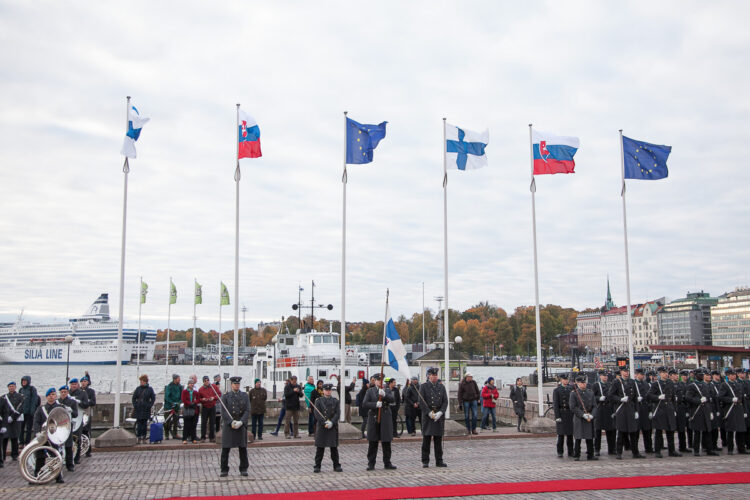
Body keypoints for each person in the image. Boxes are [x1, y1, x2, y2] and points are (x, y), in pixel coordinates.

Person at [607, 366, 644, 459]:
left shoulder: (632, 382)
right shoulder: (616, 382)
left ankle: (635, 452)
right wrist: (620, 399)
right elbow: (610, 396)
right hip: (621, 409)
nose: (626, 373)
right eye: (624, 371)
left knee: (633, 432)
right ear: (621, 372)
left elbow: (635, 397)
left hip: (630, 408)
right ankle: (619, 452)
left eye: (627, 371)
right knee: (621, 432)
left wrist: (636, 410)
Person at [362, 373, 396, 470]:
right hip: (374, 417)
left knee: (386, 442)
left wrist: (385, 395)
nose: (379, 382)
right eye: (378, 380)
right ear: (375, 381)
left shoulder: (387, 390)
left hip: (385, 417)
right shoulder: (370, 391)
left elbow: (393, 399)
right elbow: (364, 403)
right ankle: (371, 463)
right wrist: (374, 404)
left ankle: (387, 462)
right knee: (373, 442)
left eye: (381, 380)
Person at [32, 388, 64, 483]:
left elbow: (63, 421)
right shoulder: (41, 409)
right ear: (46, 397)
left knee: (56, 456)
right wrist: (37, 432)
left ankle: (58, 476)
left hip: (55, 436)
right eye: (49, 395)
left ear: (56, 396)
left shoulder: (60, 408)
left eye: (53, 394)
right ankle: (37, 475)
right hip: (43, 436)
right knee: (40, 456)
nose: (51, 396)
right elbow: (36, 422)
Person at [647, 367, 681, 458]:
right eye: (663, 372)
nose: (665, 374)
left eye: (666, 372)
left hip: (669, 409)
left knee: (670, 431)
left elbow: (673, 397)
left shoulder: (670, 383)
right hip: (660, 409)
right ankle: (657, 451)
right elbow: (649, 395)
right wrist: (658, 397)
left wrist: (674, 409)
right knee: (658, 431)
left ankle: (672, 450)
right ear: (660, 374)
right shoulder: (656, 384)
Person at [219, 376, 250, 477]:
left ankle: (243, 468)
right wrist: (230, 422)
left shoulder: (244, 396)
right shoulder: (226, 396)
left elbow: (247, 410)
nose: (237, 385)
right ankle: (224, 469)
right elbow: (223, 412)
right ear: (231, 385)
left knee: (242, 448)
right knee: (226, 448)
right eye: (235, 384)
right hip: (229, 426)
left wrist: (241, 422)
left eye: (238, 384)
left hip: (240, 425)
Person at [685, 368, 718, 456]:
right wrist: (698, 400)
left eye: (702, 374)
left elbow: (708, 399)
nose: (702, 375)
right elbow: (688, 398)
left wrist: (710, 411)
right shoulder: (692, 385)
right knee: (697, 432)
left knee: (707, 431)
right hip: (697, 411)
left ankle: (709, 449)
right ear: (696, 375)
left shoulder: (705, 385)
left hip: (706, 410)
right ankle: (696, 450)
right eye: (700, 374)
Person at [420, 367, 448, 468]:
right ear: (429, 376)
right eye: (433, 375)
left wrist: (440, 412)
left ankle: (439, 460)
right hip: (428, 416)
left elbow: (445, 401)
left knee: (438, 440)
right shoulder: (424, 387)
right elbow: (421, 402)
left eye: (436, 375)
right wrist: (429, 413)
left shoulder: (441, 387)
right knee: (426, 439)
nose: (435, 377)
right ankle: (425, 460)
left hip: (438, 416)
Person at [313, 383, 342, 473]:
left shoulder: (335, 401)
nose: (328, 391)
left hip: (332, 426)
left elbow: (337, 413)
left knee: (334, 448)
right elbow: (317, 414)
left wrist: (332, 422)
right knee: (320, 448)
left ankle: (336, 465)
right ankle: (317, 466)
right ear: (323, 391)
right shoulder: (318, 401)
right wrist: (323, 422)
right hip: (322, 427)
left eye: (329, 390)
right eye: (326, 390)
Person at [718, 368, 747, 454]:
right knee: (730, 430)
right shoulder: (724, 385)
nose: (733, 376)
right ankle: (730, 449)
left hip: (739, 409)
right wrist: (731, 399)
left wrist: (745, 411)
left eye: (734, 374)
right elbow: (720, 397)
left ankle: (741, 448)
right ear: (728, 376)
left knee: (740, 430)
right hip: (730, 409)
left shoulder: (738, 384)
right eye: (731, 375)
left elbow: (742, 399)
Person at [570, 375, 597, 461]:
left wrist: (592, 414)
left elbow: (595, 406)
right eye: (581, 383)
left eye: (584, 382)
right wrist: (582, 415)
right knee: (578, 437)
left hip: (589, 416)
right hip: (579, 418)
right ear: (577, 384)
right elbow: (573, 407)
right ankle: (577, 454)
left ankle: (590, 454)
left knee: (589, 437)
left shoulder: (590, 392)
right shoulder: (574, 393)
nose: (583, 384)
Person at [591, 370, 614, 456]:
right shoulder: (596, 385)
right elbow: (592, 396)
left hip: (608, 409)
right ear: (600, 376)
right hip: (600, 408)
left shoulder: (610, 385)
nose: (605, 377)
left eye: (606, 376)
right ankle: (597, 449)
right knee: (598, 430)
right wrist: (598, 398)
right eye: (603, 376)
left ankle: (611, 449)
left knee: (610, 431)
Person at [57, 385, 78, 472]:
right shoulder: (57, 402)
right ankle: (59, 462)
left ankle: (70, 465)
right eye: (62, 392)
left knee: (68, 445)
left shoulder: (72, 402)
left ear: (67, 393)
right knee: (58, 445)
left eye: (65, 392)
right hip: (59, 425)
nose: (63, 393)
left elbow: (76, 414)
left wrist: (71, 411)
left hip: (68, 425)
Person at [553, 374, 574, 458]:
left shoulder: (571, 389)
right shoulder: (557, 390)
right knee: (561, 434)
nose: (566, 381)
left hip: (569, 413)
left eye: (567, 379)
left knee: (570, 434)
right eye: (564, 379)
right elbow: (556, 404)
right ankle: (560, 451)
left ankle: (571, 451)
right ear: (561, 380)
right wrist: (557, 416)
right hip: (562, 412)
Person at [2, 381, 24, 464]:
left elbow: (21, 408)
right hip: (6, 420)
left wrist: (13, 417)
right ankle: (3, 455)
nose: (11, 387)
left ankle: (14, 455)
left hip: (15, 419)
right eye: (10, 386)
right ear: (8, 387)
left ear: (15, 387)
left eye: (13, 386)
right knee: (5, 438)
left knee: (15, 438)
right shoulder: (4, 397)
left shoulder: (20, 397)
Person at [68, 378, 88, 463]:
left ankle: (77, 457)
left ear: (78, 385)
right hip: (69, 417)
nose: (73, 386)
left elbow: (86, 405)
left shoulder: (82, 393)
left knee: (77, 438)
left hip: (78, 417)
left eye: (75, 384)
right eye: (72, 384)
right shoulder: (67, 393)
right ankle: (68, 457)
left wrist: (79, 402)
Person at [131, 374, 155, 444]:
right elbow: (134, 398)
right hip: (139, 409)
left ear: (145, 381)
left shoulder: (150, 389)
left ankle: (144, 437)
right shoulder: (138, 389)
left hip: (146, 409)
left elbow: (153, 398)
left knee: (144, 424)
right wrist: (135, 405)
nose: (141, 382)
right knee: (139, 424)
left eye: (142, 381)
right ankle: (138, 437)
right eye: (140, 381)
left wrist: (149, 405)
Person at [634, 368, 653, 454]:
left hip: (645, 408)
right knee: (636, 431)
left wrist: (650, 410)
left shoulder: (646, 384)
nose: (642, 376)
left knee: (647, 430)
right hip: (638, 408)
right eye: (641, 374)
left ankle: (649, 448)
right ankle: (635, 449)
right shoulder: (633, 384)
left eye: (643, 374)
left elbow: (649, 398)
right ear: (636, 374)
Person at [19, 376, 40, 447]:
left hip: (29, 413)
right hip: (22, 413)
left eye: (25, 381)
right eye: (23, 381)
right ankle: (21, 442)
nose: (24, 382)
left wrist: (32, 411)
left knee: (29, 428)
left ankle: (27, 442)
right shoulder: (21, 390)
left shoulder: (32, 389)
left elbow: (34, 400)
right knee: (21, 428)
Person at [673, 369, 691, 453]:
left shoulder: (682, 385)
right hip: (672, 407)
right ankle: (671, 448)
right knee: (671, 429)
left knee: (681, 428)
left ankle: (682, 446)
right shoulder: (669, 384)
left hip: (681, 407)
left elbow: (686, 396)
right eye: (674, 374)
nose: (676, 376)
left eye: (677, 375)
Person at [198, 376, 219, 442]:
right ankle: (203, 437)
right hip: (205, 406)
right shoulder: (201, 389)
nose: (207, 382)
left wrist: (213, 398)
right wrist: (203, 399)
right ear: (203, 382)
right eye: (205, 381)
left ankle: (211, 437)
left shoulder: (214, 387)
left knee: (212, 422)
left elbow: (218, 394)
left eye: (207, 380)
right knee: (204, 422)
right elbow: (199, 399)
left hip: (212, 406)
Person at [80, 374, 95, 457]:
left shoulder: (91, 391)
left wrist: (85, 402)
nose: (83, 383)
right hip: (79, 413)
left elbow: (93, 402)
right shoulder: (78, 391)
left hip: (87, 412)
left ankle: (88, 450)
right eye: (82, 381)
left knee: (87, 431)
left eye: (85, 381)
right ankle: (80, 449)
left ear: (88, 382)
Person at [164, 374, 183, 440]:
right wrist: (172, 402)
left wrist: (179, 402)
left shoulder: (180, 386)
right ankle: (166, 434)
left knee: (176, 421)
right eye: (178, 379)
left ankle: (175, 434)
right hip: (168, 406)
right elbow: (167, 396)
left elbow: (182, 395)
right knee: (167, 421)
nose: (179, 380)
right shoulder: (169, 386)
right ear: (175, 379)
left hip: (176, 406)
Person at [181, 378, 199, 444]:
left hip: (194, 409)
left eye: (192, 383)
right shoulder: (184, 391)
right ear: (188, 384)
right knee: (186, 425)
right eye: (190, 383)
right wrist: (189, 403)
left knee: (193, 425)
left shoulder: (195, 392)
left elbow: (198, 399)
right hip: (187, 408)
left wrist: (195, 402)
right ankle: (184, 438)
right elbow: (183, 399)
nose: (191, 384)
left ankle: (193, 438)